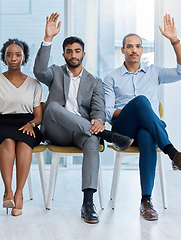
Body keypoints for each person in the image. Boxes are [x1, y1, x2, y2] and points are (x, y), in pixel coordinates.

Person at [33, 13, 133, 224]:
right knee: (51, 107)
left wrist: (98, 121)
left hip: (82, 132)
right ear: (64, 55)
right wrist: (47, 38)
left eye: (77, 51)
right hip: (57, 131)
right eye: (69, 51)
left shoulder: (95, 82)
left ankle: (88, 203)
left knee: (92, 140)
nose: (73, 54)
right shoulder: (55, 73)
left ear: (83, 54)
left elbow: (98, 109)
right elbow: (39, 70)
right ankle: (109, 135)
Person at [103, 13, 181, 221]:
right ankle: (172, 152)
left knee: (147, 135)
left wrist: (174, 41)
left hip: (146, 129)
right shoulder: (111, 77)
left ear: (142, 50)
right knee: (141, 102)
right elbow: (108, 112)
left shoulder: (154, 72)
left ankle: (146, 201)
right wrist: (135, 110)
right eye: (129, 46)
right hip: (123, 131)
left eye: (138, 46)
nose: (134, 50)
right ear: (123, 50)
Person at [0, 39, 43, 216]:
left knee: (23, 144)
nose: (13, 58)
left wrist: (32, 124)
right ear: (4, 58)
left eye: (18, 55)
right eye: (9, 54)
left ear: (24, 58)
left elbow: (38, 116)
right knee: (7, 142)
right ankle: (8, 192)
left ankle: (19, 193)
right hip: (3, 123)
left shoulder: (34, 84)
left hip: (27, 124)